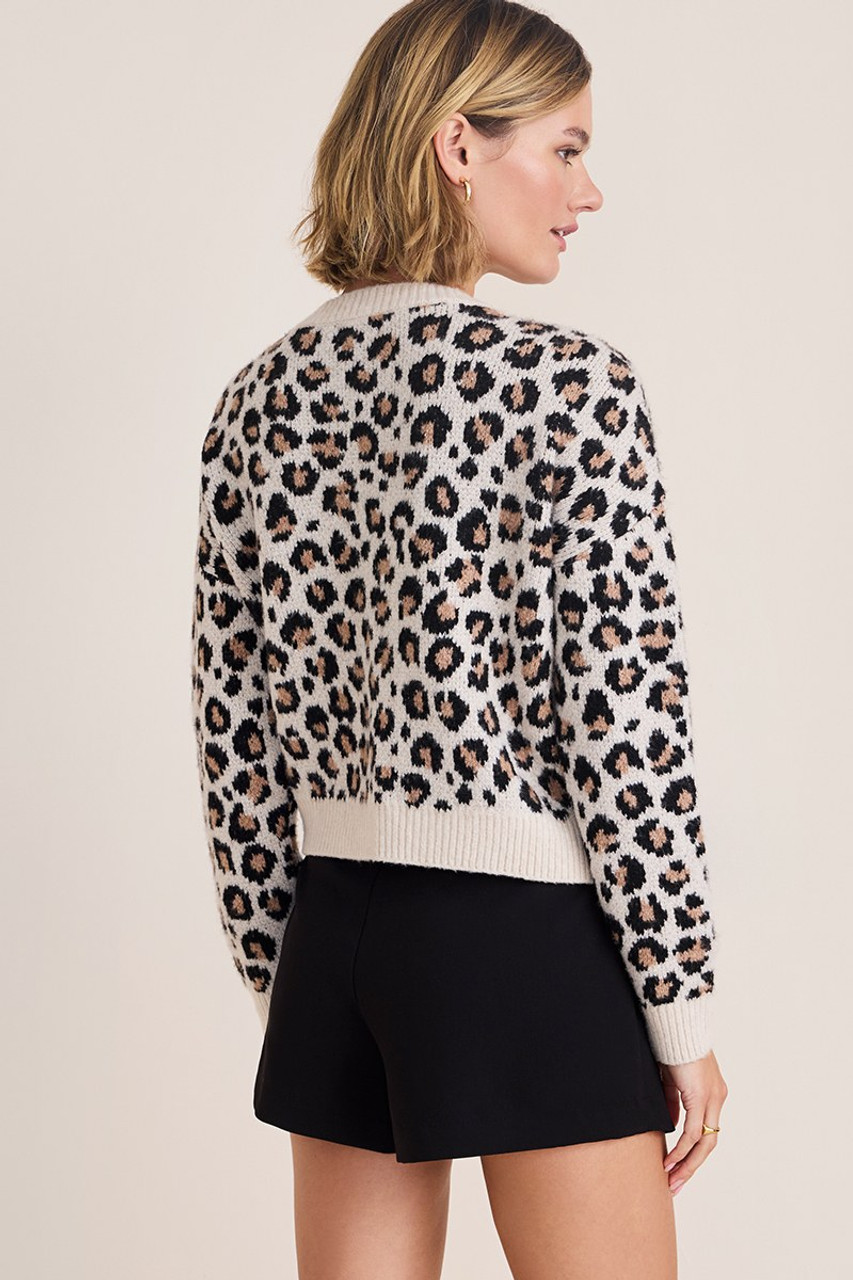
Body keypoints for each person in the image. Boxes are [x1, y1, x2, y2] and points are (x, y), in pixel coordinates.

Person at [189, 1, 729, 1275]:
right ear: (457, 146)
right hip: (520, 935)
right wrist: (679, 1002)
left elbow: (235, 737)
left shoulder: (258, 399)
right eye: (566, 148)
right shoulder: (569, 388)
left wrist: (289, 976)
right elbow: (626, 721)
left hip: (331, 933)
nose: (587, 192)